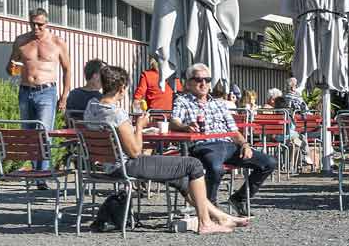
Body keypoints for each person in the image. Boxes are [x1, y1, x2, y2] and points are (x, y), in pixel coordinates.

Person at [82, 66, 251, 234]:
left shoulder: (91, 106)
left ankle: (220, 217)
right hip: (125, 166)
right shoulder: (117, 114)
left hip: (104, 165)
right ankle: (205, 223)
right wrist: (140, 127)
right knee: (193, 165)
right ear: (122, 88)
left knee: (183, 180)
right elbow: (135, 152)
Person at [172, 63, 275, 207]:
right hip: (204, 145)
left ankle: (239, 199)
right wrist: (185, 127)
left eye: (207, 80)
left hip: (229, 145)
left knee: (268, 163)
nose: (203, 83)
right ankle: (209, 206)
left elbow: (233, 131)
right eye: (198, 79)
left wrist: (245, 144)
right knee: (216, 168)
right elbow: (174, 122)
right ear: (188, 83)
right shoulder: (182, 101)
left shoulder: (219, 104)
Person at [7, 9, 72, 132]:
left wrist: (64, 97)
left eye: (40, 25)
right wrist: (12, 68)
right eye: (32, 24)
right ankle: (29, 152)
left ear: (47, 24)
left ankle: (45, 151)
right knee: (27, 133)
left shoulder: (57, 42)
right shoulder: (21, 41)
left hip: (46, 91)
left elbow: (67, 69)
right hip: (25, 91)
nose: (36, 27)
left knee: (45, 132)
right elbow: (11, 69)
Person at [63, 59, 105, 125]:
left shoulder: (73, 94)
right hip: (94, 133)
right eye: (103, 74)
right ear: (95, 76)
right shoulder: (102, 98)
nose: (105, 78)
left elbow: (66, 118)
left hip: (75, 132)